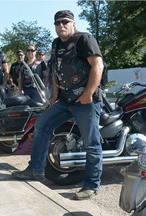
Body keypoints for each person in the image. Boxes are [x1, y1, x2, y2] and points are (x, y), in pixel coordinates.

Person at [12, 10, 104, 201]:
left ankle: (91, 185)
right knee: (41, 126)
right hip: (65, 100)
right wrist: (54, 95)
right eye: (57, 23)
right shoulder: (56, 44)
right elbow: (55, 70)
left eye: (65, 22)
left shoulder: (84, 39)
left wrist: (87, 94)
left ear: (73, 24)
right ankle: (36, 170)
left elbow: (98, 66)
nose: (61, 25)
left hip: (85, 101)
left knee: (91, 143)